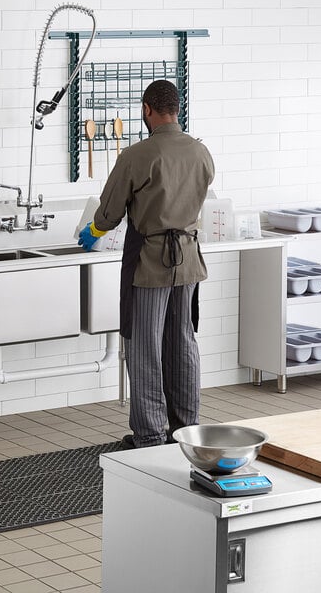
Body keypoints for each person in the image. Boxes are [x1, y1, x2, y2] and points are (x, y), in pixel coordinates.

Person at [78, 80, 215, 449]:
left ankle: (151, 434)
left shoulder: (137, 155)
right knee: (182, 341)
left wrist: (91, 231)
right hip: (188, 260)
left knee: (144, 346)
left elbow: (108, 215)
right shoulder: (201, 153)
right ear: (177, 109)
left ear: (146, 109)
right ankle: (186, 429)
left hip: (149, 264)